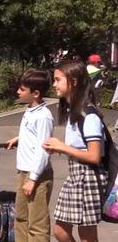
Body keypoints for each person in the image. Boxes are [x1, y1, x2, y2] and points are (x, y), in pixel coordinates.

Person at [42, 60, 107, 242]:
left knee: (87, 235)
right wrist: (61, 148)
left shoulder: (89, 115)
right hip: (75, 176)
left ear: (74, 81)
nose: (54, 84)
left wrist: (62, 147)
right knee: (60, 230)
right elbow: (79, 147)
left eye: (57, 80)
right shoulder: (73, 112)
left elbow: (94, 156)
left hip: (88, 177)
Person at [5, 69, 54, 242]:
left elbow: (44, 149)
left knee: (36, 224)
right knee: (21, 218)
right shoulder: (30, 111)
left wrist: (33, 179)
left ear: (35, 93)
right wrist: (20, 138)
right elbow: (34, 136)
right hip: (24, 172)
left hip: (37, 176)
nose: (18, 92)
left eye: (22, 89)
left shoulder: (43, 116)